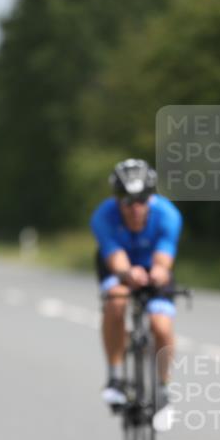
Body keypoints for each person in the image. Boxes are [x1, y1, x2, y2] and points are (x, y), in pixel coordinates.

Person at [91, 159, 182, 410]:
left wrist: (158, 274)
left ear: (151, 197)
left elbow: (163, 260)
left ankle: (163, 386)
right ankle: (115, 377)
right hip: (118, 267)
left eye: (142, 200)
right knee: (116, 299)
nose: (135, 208)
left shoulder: (168, 215)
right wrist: (128, 273)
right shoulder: (103, 216)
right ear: (117, 200)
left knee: (161, 326)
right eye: (128, 201)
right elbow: (115, 258)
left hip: (153, 268)